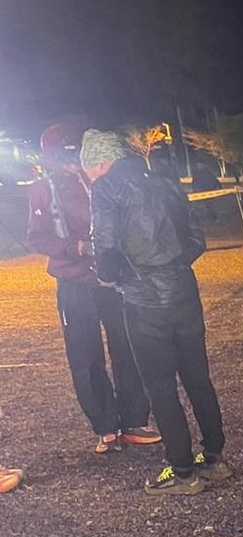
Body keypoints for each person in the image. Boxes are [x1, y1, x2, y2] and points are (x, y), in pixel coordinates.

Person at [83, 129, 229, 494]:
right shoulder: (165, 181)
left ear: (101, 162)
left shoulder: (105, 189)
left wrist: (120, 277)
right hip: (183, 291)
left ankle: (182, 471)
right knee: (198, 377)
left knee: (161, 386)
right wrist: (172, 267)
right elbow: (196, 239)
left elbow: (105, 250)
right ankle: (215, 457)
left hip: (144, 300)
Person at [26, 121, 160, 456]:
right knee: (85, 355)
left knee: (127, 346)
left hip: (112, 279)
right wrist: (74, 247)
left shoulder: (101, 178)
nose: (73, 157)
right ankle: (105, 427)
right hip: (74, 282)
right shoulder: (44, 188)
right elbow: (36, 237)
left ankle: (134, 421)